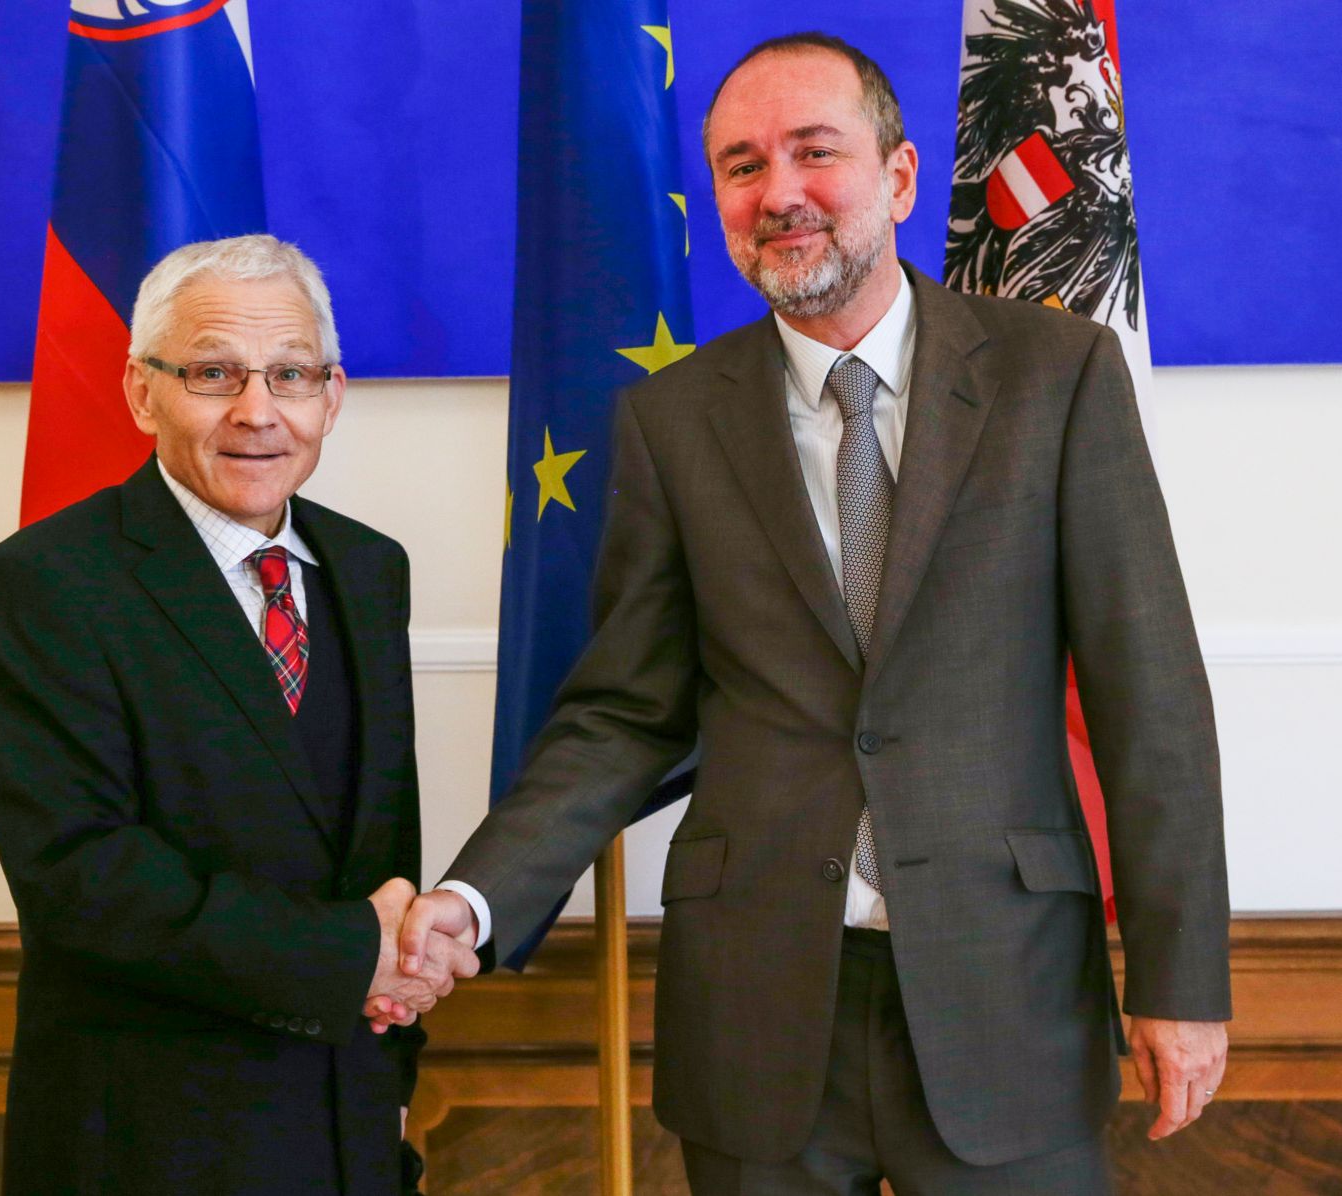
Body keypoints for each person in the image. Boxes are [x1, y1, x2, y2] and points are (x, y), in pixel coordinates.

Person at [398, 33, 1230, 1193]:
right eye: (741, 166)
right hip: (756, 1010)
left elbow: (1150, 699)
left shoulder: (1056, 374)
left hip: (1008, 997)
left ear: (898, 176)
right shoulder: (671, 421)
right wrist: (472, 897)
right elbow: (621, 714)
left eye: (813, 151)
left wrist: (1180, 980)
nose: (777, 191)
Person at [0, 234, 476, 1195]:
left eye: (291, 374)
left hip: (350, 1116)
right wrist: (351, 955)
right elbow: (81, 878)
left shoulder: (371, 569)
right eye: (213, 373)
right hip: (149, 1138)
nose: (257, 411)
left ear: (332, 397)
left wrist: (391, 1068)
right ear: (141, 392)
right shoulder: (42, 583)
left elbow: (380, 845)